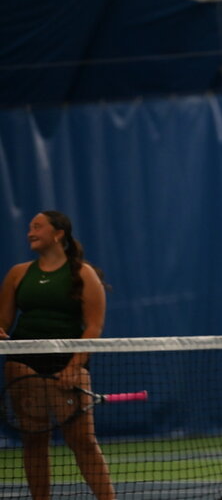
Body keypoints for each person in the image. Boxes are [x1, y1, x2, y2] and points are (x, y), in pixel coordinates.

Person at [0, 211, 116, 500]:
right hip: (22, 362)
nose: (30, 231)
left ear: (58, 233)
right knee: (34, 439)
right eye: (29, 227)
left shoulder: (83, 274)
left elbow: (93, 327)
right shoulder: (18, 273)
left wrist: (74, 366)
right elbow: (3, 322)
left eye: (37, 226)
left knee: (84, 441)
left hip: (67, 362)